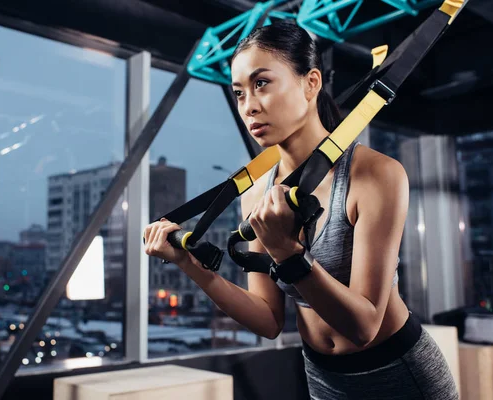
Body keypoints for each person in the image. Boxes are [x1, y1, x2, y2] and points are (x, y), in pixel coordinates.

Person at [143, 21, 458, 399]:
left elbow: (364, 326)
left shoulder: (376, 176)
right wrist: (188, 264)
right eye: (239, 93)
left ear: (310, 83)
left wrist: (289, 254)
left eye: (262, 83)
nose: (249, 107)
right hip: (324, 378)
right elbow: (268, 319)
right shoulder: (256, 194)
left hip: (400, 374)